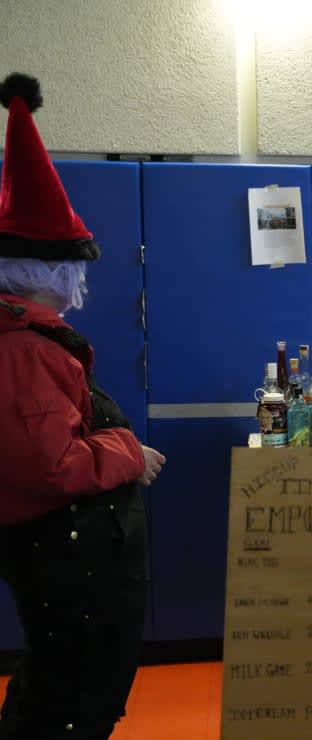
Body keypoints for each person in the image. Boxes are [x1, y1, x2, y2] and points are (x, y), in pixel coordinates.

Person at [0, 73, 166, 739]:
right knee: (65, 697)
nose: (83, 283)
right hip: (63, 562)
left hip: (77, 564)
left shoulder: (37, 342)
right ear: (53, 273)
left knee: (72, 682)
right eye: (77, 270)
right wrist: (128, 452)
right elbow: (47, 466)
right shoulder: (22, 351)